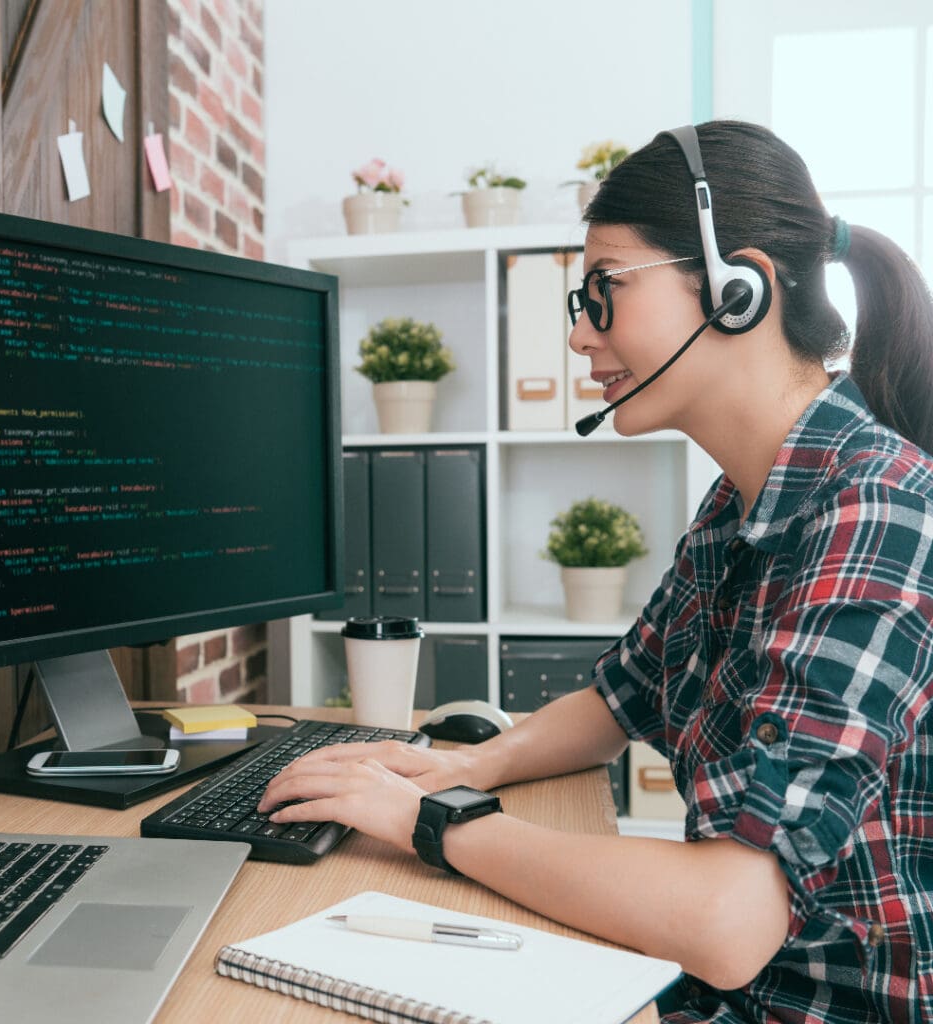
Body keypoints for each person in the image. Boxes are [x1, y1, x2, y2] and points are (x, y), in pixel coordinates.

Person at [259, 121, 933, 1023]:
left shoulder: (877, 508)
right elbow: (623, 696)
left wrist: (433, 825)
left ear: (741, 290)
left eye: (604, 291)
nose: (580, 336)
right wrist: (462, 767)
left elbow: (728, 919)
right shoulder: (743, 501)